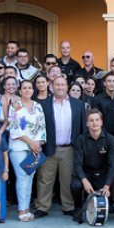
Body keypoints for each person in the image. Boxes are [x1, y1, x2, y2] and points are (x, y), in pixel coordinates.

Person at [33, 75, 83, 219]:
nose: (60, 87)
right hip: (49, 147)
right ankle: (42, 206)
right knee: (44, 179)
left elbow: (81, 128)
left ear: (67, 87)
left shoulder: (77, 104)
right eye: (57, 85)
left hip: (69, 148)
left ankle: (68, 206)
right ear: (51, 87)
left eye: (62, 84)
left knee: (67, 179)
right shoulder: (44, 104)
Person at [8, 79, 46, 222]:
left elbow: (42, 127)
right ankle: (22, 210)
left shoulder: (38, 106)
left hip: (34, 148)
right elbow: (14, 127)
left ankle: (27, 209)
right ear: (20, 90)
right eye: (24, 88)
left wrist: (38, 143)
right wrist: (30, 142)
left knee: (30, 176)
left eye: (30, 88)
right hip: (18, 147)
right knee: (23, 176)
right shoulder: (15, 106)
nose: (27, 90)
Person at [73, 108, 114, 224]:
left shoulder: (110, 139)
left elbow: (112, 165)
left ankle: (110, 199)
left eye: (97, 120)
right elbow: (77, 164)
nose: (94, 123)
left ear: (101, 122)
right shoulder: (80, 139)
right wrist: (84, 181)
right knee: (75, 185)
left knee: (105, 200)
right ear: (87, 123)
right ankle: (78, 209)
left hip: (102, 175)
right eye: (91, 120)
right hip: (86, 173)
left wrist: (107, 185)